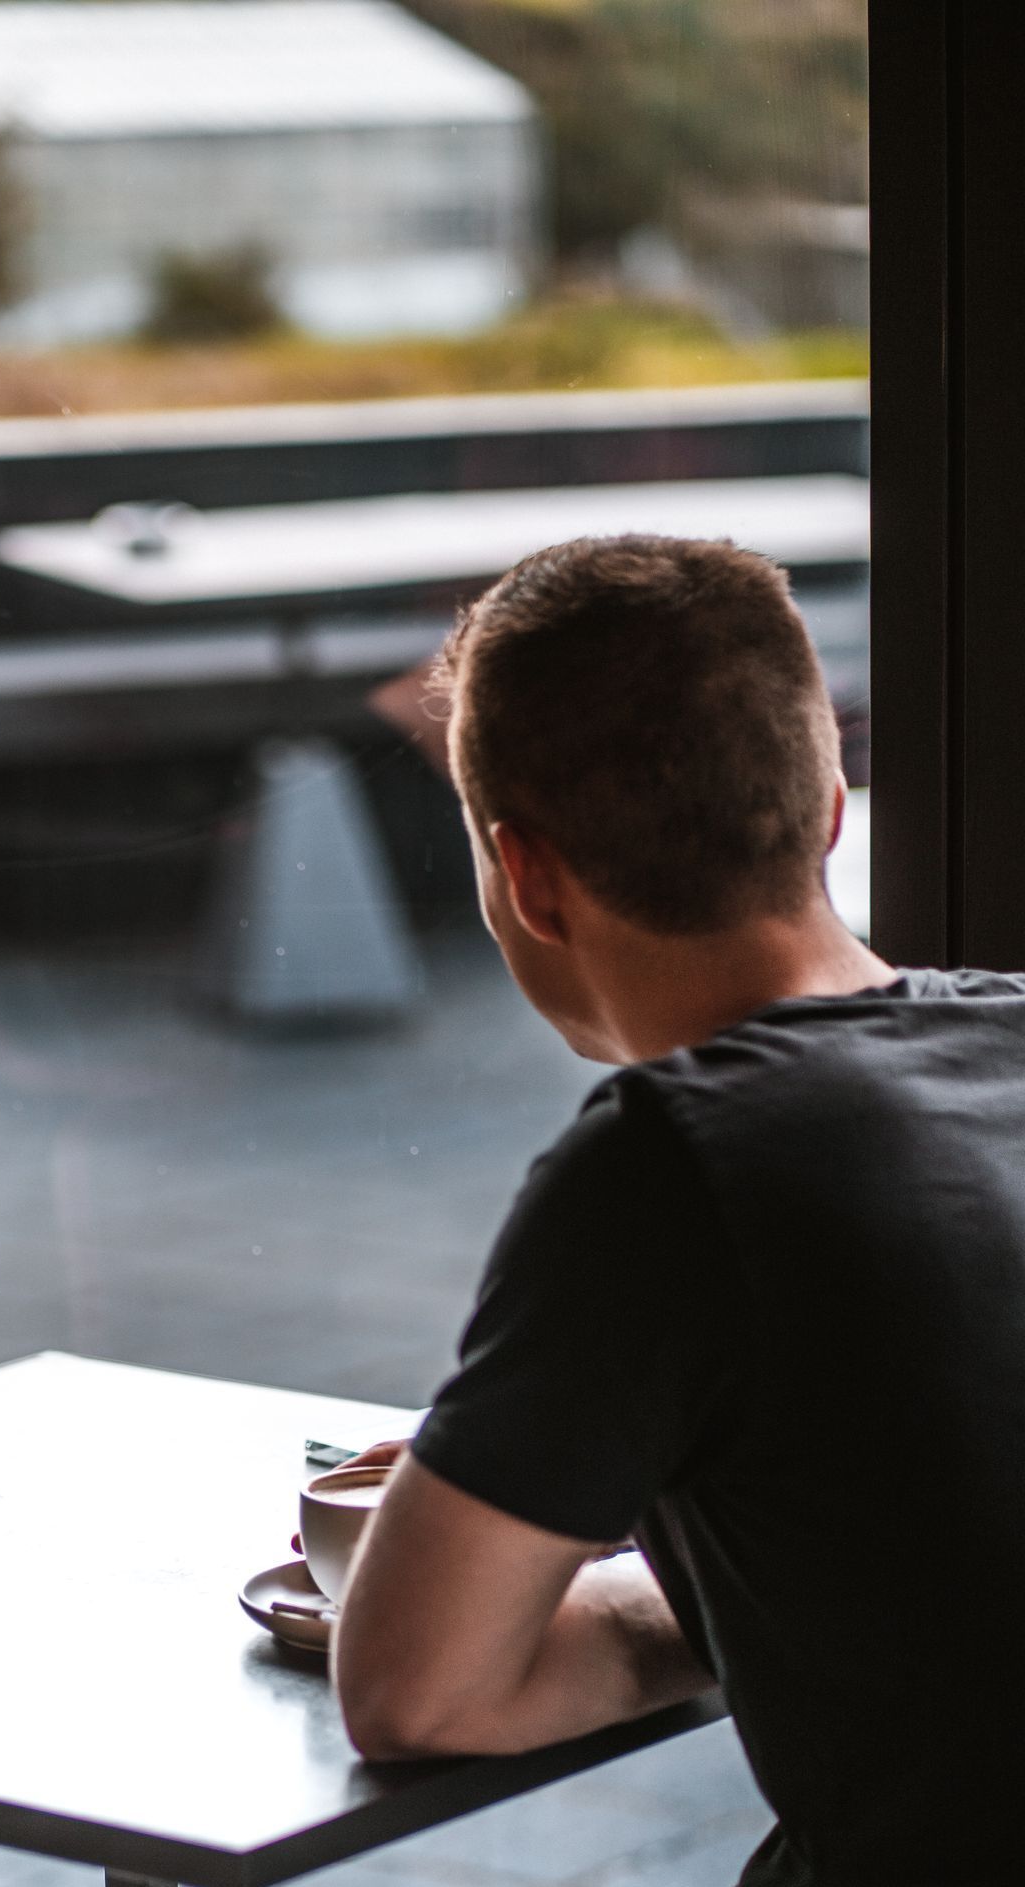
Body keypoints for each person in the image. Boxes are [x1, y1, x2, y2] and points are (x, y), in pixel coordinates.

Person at [329, 534, 1025, 1885]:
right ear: (829, 806)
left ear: (522, 874)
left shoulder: (676, 1161)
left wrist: (677, 1610)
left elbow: (418, 1693)